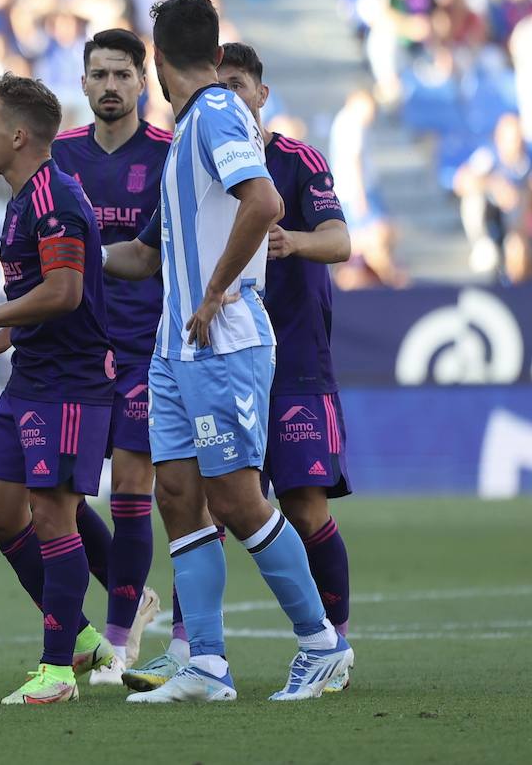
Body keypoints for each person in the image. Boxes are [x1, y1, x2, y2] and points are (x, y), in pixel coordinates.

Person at [102, 0, 352, 703]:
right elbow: (147, 254)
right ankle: (206, 664)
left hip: (223, 342)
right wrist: (75, 255)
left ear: (156, 59)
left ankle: (321, 643)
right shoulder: (188, 132)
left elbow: (266, 201)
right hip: (175, 350)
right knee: (179, 497)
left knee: (240, 501)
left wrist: (214, 291)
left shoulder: (212, 114)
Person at [0, 73, 116, 705]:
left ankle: (59, 669)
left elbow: (66, 290)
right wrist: (11, 337)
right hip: (34, 376)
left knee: (54, 515)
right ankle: (88, 635)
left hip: (71, 384)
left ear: (18, 135)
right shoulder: (22, 197)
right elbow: (48, 299)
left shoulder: (55, 197)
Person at [217, 41, 354, 691]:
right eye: (217, 89)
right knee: (206, 507)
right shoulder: (199, 164)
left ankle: (335, 645)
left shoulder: (297, 161)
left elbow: (341, 240)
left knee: (304, 509)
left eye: (238, 85)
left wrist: (293, 240)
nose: (229, 98)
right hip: (220, 360)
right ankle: (196, 652)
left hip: (295, 361)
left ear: (262, 94)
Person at [50, 28, 169, 685]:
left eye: (122, 74)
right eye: (99, 74)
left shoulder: (168, 154)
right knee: (60, 497)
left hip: (145, 347)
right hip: (74, 348)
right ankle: (134, 596)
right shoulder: (61, 155)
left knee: (130, 485)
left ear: (142, 82)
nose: (110, 86)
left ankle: (118, 641)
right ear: (84, 83)